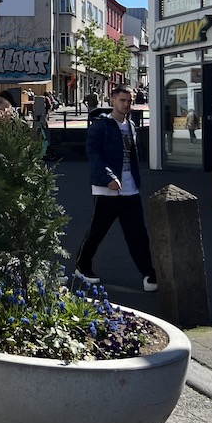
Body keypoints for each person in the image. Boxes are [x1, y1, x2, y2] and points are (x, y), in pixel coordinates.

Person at [74, 86, 158, 293]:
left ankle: (148, 273)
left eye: (129, 101)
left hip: (130, 189)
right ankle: (82, 266)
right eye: (122, 100)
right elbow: (94, 154)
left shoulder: (131, 125)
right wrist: (108, 177)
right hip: (107, 190)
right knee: (98, 231)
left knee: (138, 233)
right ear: (112, 100)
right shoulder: (101, 126)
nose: (126, 104)